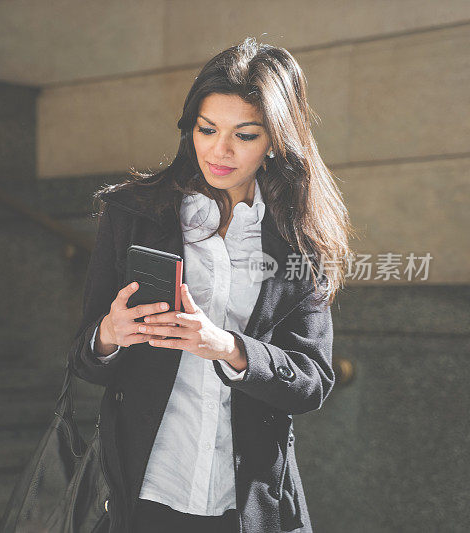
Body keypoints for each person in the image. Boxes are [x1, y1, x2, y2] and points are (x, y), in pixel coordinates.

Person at [66, 36, 356, 533]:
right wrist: (110, 334)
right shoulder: (135, 214)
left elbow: (312, 381)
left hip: (244, 501)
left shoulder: (298, 240)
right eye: (207, 129)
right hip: (143, 489)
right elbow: (82, 357)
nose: (219, 150)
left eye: (244, 135)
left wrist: (228, 348)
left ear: (274, 142)